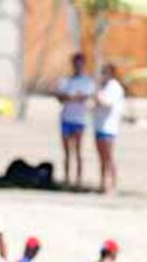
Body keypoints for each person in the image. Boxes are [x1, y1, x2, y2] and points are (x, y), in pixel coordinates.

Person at [55, 53, 94, 191]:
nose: (78, 66)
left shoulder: (87, 81)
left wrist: (70, 97)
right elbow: (59, 96)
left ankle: (78, 181)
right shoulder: (66, 80)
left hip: (79, 120)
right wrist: (72, 97)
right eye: (76, 63)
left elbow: (84, 97)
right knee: (66, 152)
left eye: (80, 63)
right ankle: (66, 179)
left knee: (78, 151)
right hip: (66, 118)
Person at [93, 63, 125, 195]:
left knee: (109, 157)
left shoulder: (115, 87)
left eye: (105, 72)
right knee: (101, 158)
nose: (103, 75)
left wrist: (98, 99)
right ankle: (102, 185)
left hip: (109, 127)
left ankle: (113, 185)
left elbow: (108, 104)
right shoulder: (103, 87)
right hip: (99, 125)